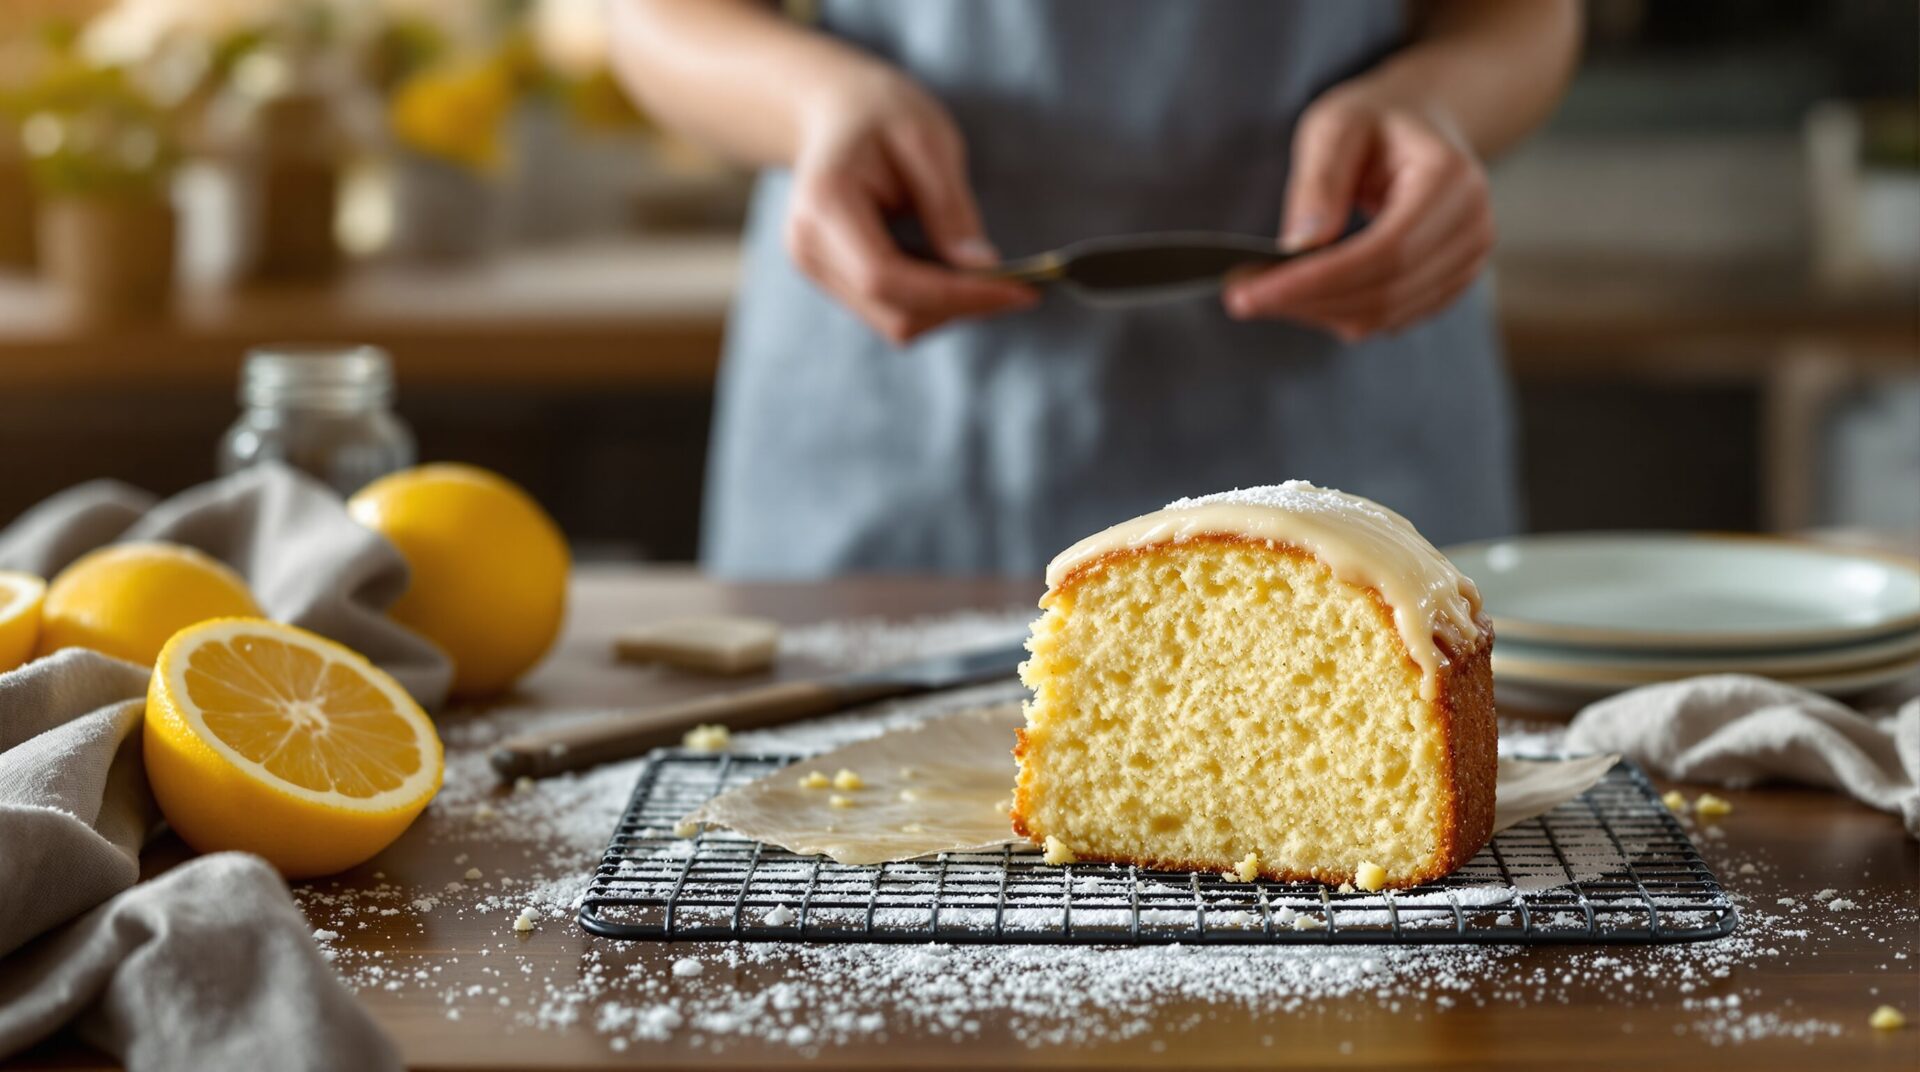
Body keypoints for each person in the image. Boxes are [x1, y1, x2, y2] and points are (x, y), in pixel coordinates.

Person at [610, 0, 1581, 577]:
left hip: (1347, 383)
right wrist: (818, 105)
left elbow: (1520, 14)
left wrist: (1438, 105)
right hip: (890, 415)